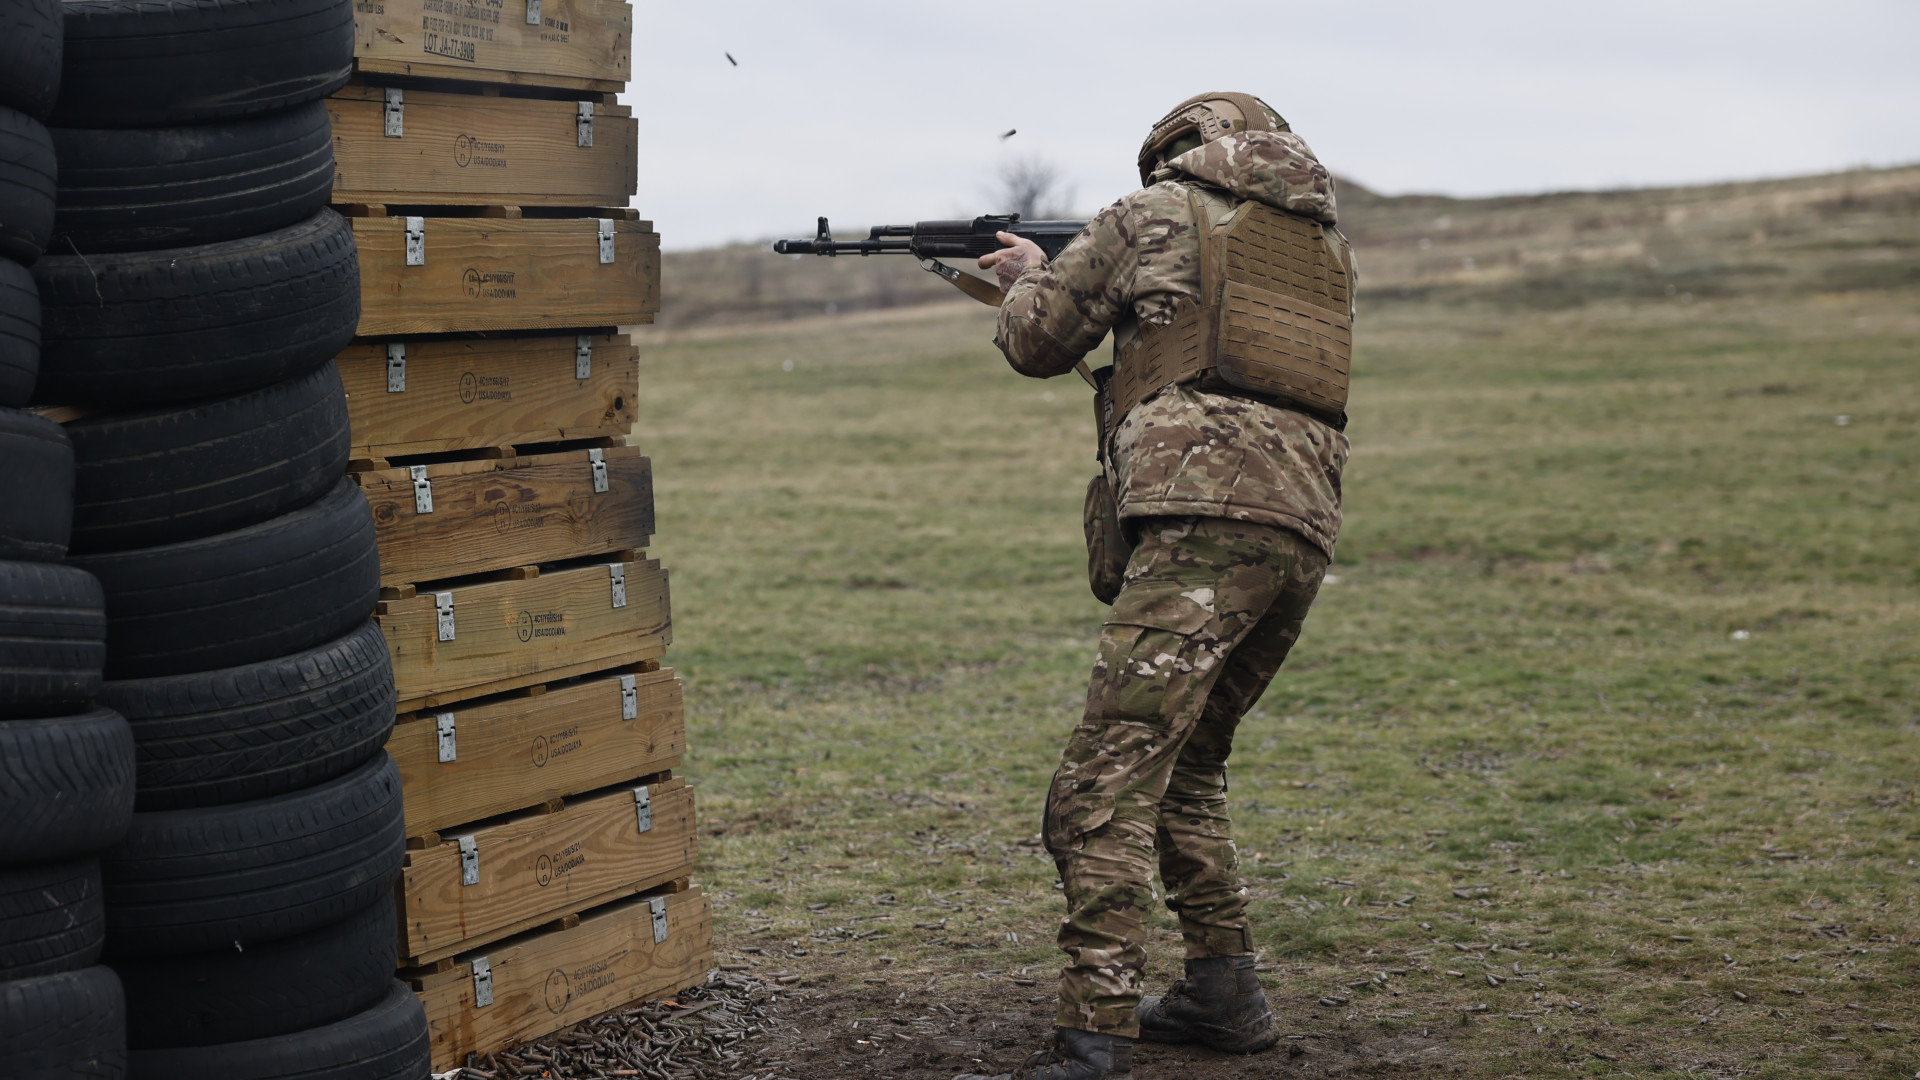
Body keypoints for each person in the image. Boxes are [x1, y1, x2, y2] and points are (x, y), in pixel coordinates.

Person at [955, 93, 1356, 1080]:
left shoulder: (1152, 217)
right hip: (1297, 532)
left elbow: (1040, 342)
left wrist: (1023, 280)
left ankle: (1093, 1038)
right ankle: (1224, 995)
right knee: (1185, 772)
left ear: (1176, 151)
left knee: (1095, 793)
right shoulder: (1319, 250)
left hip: (1200, 525)